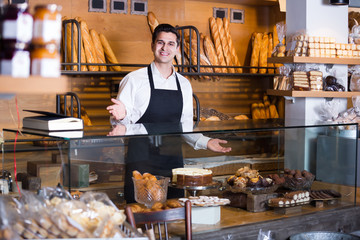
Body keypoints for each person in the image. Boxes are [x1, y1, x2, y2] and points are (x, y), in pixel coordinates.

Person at [107, 23, 231, 203]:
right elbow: (119, 128)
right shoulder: (133, 80)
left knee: (173, 214)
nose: (165, 48)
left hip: (172, 164)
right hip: (141, 163)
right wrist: (121, 116)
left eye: (171, 44)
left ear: (177, 48)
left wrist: (207, 142)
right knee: (141, 215)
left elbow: (185, 127)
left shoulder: (184, 84)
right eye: (160, 43)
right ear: (152, 46)